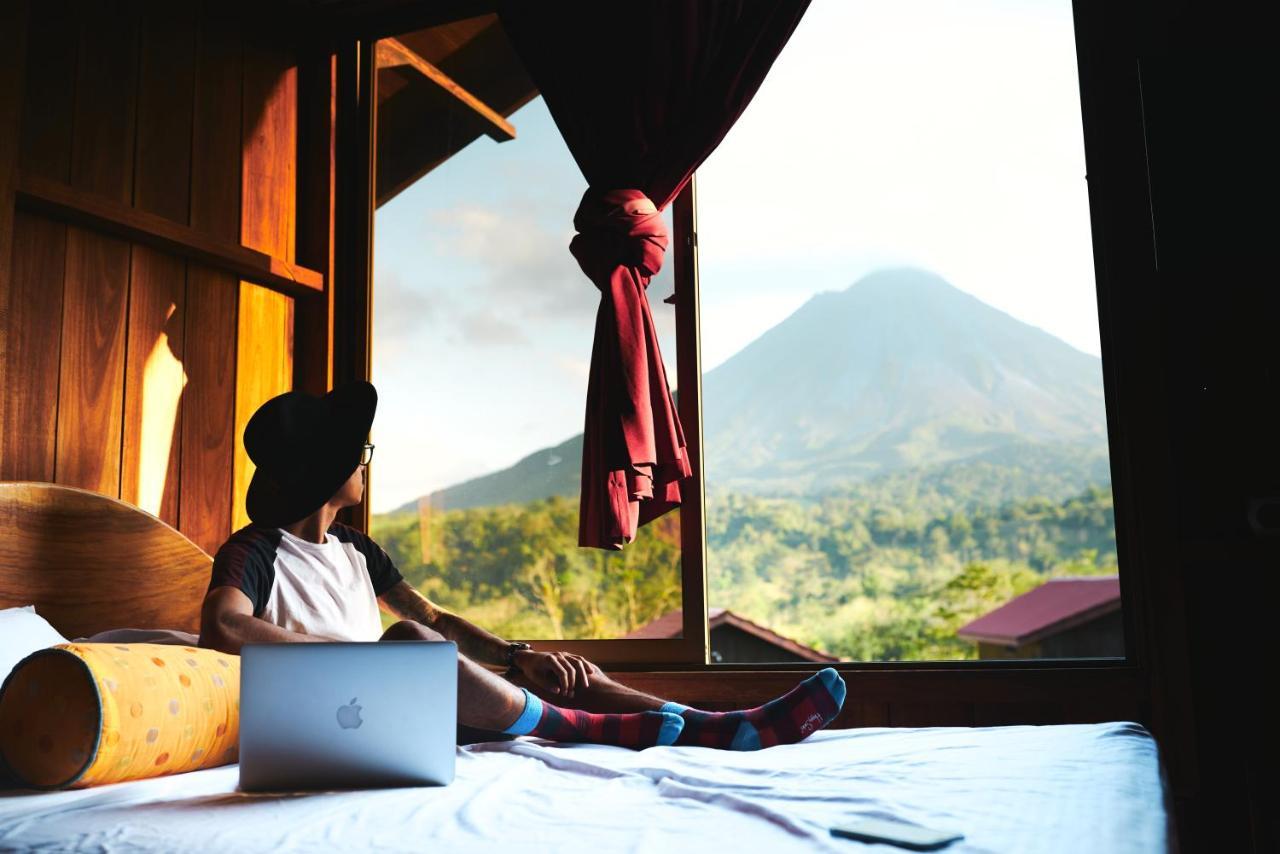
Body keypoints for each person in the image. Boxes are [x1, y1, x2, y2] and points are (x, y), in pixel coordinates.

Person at [199, 381, 846, 751]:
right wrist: (361, 658)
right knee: (404, 645)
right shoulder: (254, 550)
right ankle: (582, 728)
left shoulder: (357, 550)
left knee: (561, 669)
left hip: (390, 704)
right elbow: (225, 630)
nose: (367, 460)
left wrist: (517, 657)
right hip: (335, 720)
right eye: (361, 450)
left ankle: (720, 729)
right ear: (327, 468)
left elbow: (435, 617)